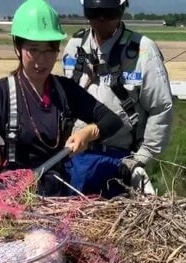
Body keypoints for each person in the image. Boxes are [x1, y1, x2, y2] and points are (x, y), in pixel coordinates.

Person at [0, 0, 123, 196]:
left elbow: (112, 121)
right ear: (18, 48)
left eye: (49, 50)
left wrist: (88, 133)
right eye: (34, 50)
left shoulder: (65, 90)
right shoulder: (2, 92)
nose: (42, 60)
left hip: (58, 196)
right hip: (12, 194)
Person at [62, 0, 173, 198]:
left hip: (122, 161)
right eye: (95, 13)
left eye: (108, 13)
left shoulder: (143, 51)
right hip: (77, 158)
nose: (101, 20)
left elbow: (161, 108)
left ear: (122, 11)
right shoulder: (74, 47)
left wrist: (141, 159)